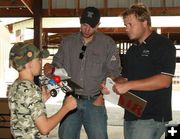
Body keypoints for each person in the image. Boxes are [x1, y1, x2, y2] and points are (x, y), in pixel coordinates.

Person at [44, 6, 121, 139]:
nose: (87, 29)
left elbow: (114, 72)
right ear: (80, 21)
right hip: (70, 99)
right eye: (84, 24)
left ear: (98, 25)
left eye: (92, 26)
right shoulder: (67, 42)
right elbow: (56, 66)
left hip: (95, 102)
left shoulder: (107, 44)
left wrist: (101, 97)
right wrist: (49, 68)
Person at [112, 3, 176, 139]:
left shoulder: (163, 45)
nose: (127, 29)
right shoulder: (132, 50)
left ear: (144, 22)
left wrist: (128, 85)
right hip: (130, 114)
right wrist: (113, 84)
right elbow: (125, 78)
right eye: (125, 25)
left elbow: (165, 80)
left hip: (151, 117)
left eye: (130, 24)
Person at [8, 42, 77, 138]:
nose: (41, 63)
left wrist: (41, 100)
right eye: (38, 60)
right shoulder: (31, 89)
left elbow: (23, 110)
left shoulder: (16, 85)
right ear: (29, 63)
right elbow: (44, 128)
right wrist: (66, 107)